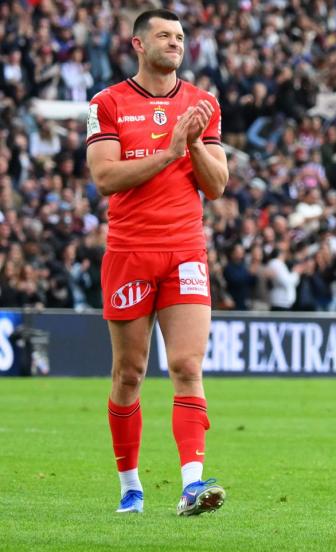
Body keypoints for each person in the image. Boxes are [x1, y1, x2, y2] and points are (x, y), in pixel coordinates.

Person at [85, 9, 228, 515]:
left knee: (187, 366)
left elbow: (217, 185)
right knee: (128, 374)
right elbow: (105, 178)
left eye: (181, 36)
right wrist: (169, 154)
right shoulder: (108, 103)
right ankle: (130, 485)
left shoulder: (202, 104)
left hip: (186, 249)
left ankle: (192, 484)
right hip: (129, 251)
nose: (176, 43)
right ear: (139, 45)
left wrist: (191, 144)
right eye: (165, 35)